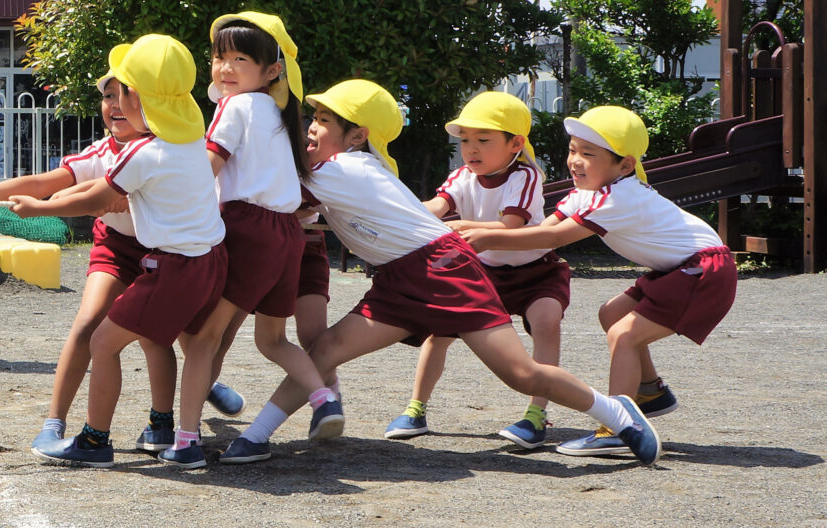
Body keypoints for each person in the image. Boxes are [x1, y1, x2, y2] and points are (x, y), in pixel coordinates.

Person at [219, 81, 659, 468]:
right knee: (327, 347)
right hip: (402, 275)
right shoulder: (342, 169)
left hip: (443, 268)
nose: (311, 128)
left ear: (357, 136)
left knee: (521, 373)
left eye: (323, 120)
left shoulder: (340, 169)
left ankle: (620, 415)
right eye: (312, 117)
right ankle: (255, 436)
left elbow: (267, 194)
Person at [0, 64, 191, 456]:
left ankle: (161, 423)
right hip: (114, 247)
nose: (115, 106)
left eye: (125, 96)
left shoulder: (165, 149)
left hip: (160, 251)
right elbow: (43, 183)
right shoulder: (100, 151)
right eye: (108, 97)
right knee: (88, 325)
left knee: (155, 337)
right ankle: (53, 422)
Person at [462, 104, 734, 457]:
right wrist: (473, 229)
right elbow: (543, 229)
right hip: (681, 268)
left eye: (588, 154)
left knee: (623, 334)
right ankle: (649, 392)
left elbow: (555, 239)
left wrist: (483, 238)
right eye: (573, 150)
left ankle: (617, 428)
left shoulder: (620, 196)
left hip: (703, 270)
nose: (575, 160)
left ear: (625, 164)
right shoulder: (587, 193)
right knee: (612, 315)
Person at [16, 35, 227, 469]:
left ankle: (94, 440)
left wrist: (39, 208)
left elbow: (94, 199)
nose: (115, 100)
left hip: (173, 267)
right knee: (157, 339)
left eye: (122, 91)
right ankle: (172, 432)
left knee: (102, 341)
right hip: (210, 260)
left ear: (139, 96)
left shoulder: (143, 152)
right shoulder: (190, 138)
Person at [159, 13, 332, 470]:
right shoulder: (277, 113)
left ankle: (186, 440)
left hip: (245, 228)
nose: (225, 67)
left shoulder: (236, 107)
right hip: (285, 235)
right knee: (267, 338)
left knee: (201, 339)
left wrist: (167, 203)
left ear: (271, 69)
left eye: (239, 58)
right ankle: (323, 397)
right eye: (219, 57)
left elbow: (208, 166)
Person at [386, 92, 568, 450]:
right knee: (438, 333)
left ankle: (536, 416)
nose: (471, 149)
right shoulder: (461, 176)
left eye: (483, 140)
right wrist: (394, 213)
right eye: (465, 140)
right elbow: (436, 207)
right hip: (481, 271)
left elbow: (510, 227)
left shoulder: (526, 176)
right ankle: (415, 409)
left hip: (536, 272)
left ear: (515, 143)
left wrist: (457, 225)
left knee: (547, 323)